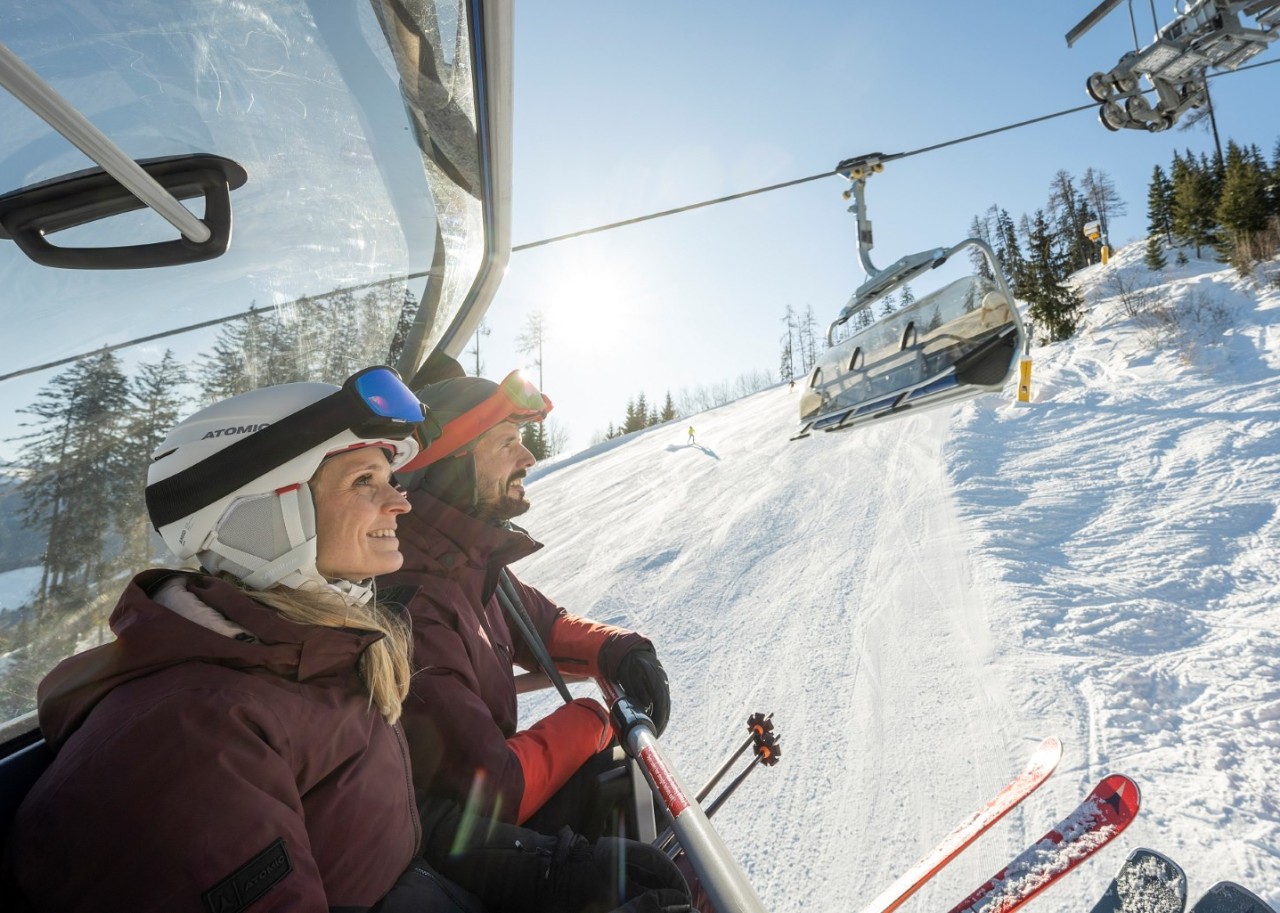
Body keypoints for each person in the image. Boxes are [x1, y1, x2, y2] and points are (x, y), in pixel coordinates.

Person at [384, 367, 672, 840]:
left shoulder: (467, 558)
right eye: (506, 443)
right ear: (451, 468)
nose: (529, 457)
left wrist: (620, 649)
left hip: (489, 812)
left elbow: (544, 624)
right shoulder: (413, 602)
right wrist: (598, 719)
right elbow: (495, 789)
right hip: (456, 838)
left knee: (624, 787)